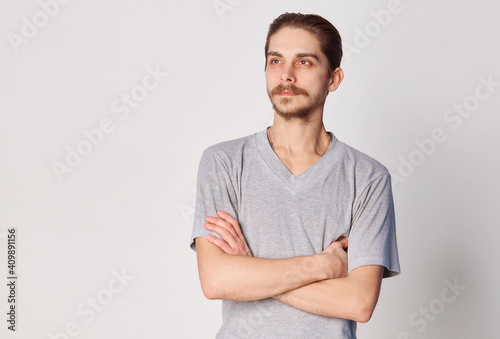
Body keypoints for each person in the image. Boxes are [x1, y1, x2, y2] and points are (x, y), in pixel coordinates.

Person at [189, 12, 400, 338]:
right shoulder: (223, 163)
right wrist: (322, 267)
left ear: (333, 78)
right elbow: (216, 281)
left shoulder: (368, 178)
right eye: (276, 61)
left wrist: (249, 267)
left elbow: (358, 302)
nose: (286, 75)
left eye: (304, 62)